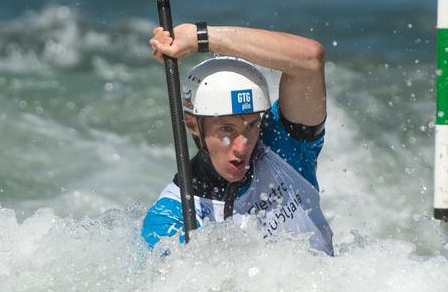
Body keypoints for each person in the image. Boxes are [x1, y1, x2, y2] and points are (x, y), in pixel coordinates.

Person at [140, 22, 333, 255]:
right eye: (227, 129)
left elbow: (310, 60)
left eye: (252, 125)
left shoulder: (283, 146)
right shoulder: (169, 218)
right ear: (192, 124)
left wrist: (200, 38)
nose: (243, 146)